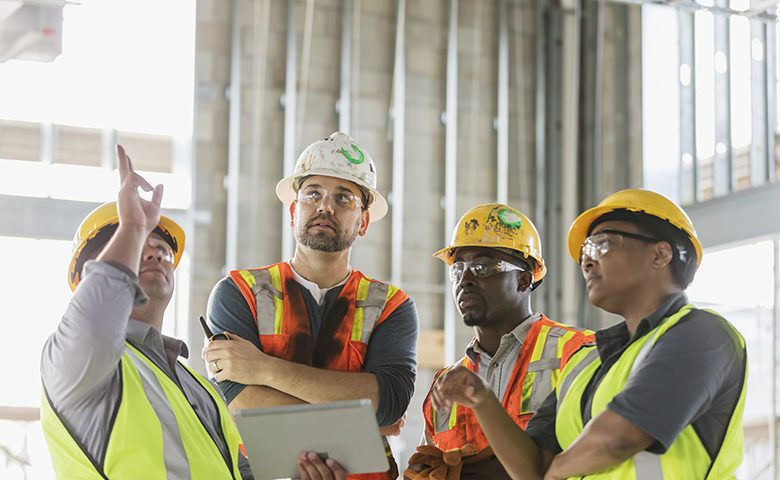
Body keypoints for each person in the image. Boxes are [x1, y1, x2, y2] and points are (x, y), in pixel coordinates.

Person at [430, 189, 747, 479]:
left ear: (660, 255)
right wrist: (482, 398)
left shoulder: (702, 334)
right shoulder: (586, 363)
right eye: (585, 250)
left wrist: (554, 474)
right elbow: (530, 470)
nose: (587, 261)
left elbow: (619, 438)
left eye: (603, 243)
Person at [203, 132, 419, 479]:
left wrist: (263, 370)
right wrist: (364, 424)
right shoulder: (239, 292)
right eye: (312, 194)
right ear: (293, 211)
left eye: (344, 198)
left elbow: (390, 401)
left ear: (363, 221)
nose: (325, 206)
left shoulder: (391, 306)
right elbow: (240, 403)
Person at [40, 145, 246, 479]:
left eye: (162, 248)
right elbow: (95, 317)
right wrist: (132, 226)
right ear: (87, 280)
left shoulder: (202, 387)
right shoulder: (71, 361)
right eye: (139, 246)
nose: (156, 254)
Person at [404, 204, 594, 480]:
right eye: (458, 269)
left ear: (524, 279)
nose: (465, 279)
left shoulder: (577, 352)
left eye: (483, 267)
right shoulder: (447, 383)